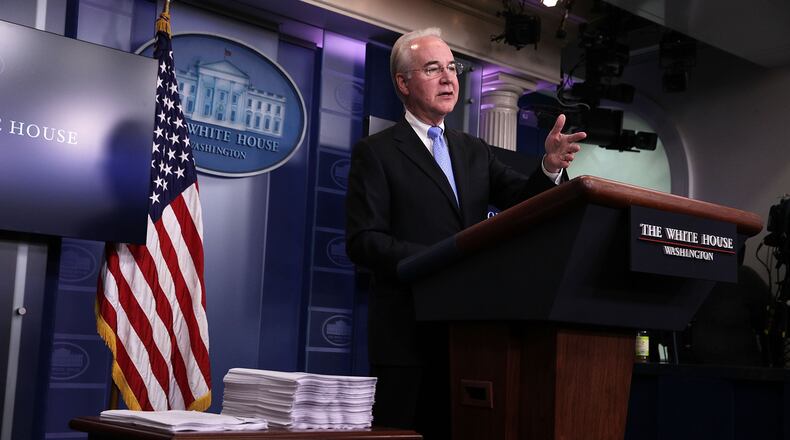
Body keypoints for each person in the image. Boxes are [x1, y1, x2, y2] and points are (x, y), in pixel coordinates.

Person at [345, 27, 586, 438]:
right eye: (433, 69)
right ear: (403, 82)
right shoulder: (378, 152)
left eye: (453, 68)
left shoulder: (472, 148)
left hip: (471, 338)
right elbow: (364, 241)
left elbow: (522, 201)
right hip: (408, 337)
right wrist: (440, 261)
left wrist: (548, 167)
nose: (448, 78)